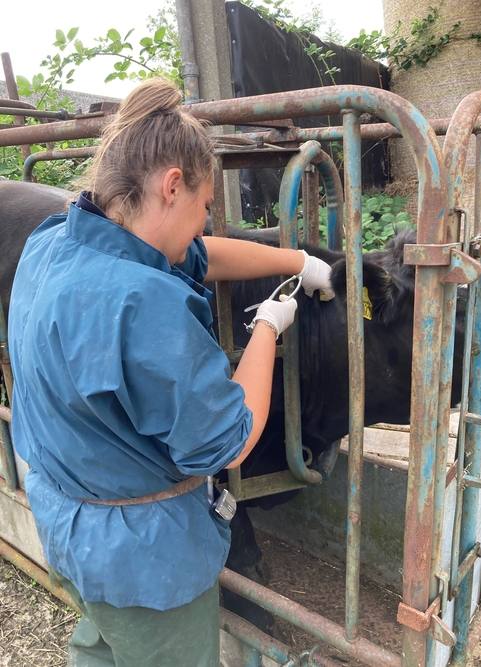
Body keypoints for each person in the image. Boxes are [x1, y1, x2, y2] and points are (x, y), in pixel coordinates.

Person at [8, 77, 334, 667]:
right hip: (144, 560)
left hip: (71, 520)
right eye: (206, 203)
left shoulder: (56, 241)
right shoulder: (144, 304)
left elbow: (203, 252)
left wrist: (301, 260)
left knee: (102, 642)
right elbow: (230, 442)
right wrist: (266, 327)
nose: (206, 218)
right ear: (172, 184)